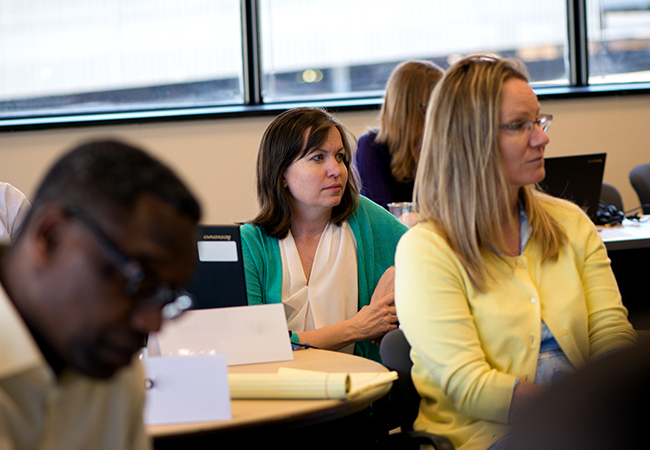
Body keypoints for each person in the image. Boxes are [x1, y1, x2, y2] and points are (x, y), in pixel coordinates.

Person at [394, 55, 636, 450]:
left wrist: (613, 409)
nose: (541, 138)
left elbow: (611, 336)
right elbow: (469, 386)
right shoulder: (426, 250)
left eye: (539, 121)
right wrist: (585, 412)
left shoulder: (571, 223)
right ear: (470, 139)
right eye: (519, 126)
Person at [0, 139, 201, 450]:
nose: (152, 324)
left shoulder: (114, 370)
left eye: (166, 298)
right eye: (140, 283)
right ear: (50, 236)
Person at [241, 107, 408, 363]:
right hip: (280, 393)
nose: (336, 170)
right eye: (318, 158)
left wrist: (398, 271)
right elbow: (255, 346)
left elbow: (435, 254)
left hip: (361, 393)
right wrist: (356, 328)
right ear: (282, 172)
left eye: (340, 157)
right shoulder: (251, 244)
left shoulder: (363, 218)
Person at [355, 60, 443, 209]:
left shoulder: (445, 144)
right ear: (409, 110)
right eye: (436, 106)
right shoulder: (371, 146)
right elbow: (384, 217)